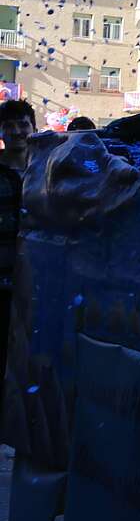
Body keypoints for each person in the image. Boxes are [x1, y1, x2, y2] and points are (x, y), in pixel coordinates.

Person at [0, 101, 34, 392]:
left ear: (33, 128)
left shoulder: (45, 169)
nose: (17, 131)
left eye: (23, 124)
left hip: (36, 282)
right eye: (9, 125)